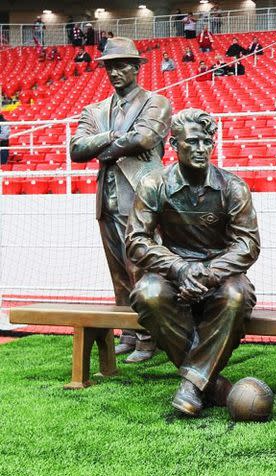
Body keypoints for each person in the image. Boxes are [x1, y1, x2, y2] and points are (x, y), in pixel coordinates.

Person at [127, 108, 260, 418]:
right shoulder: (153, 184)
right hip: (171, 269)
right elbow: (137, 240)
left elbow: (247, 244)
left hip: (221, 272)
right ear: (174, 145)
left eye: (207, 142)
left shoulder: (233, 187)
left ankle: (191, 386)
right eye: (192, 142)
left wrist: (208, 275)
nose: (202, 149)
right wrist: (181, 269)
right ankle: (210, 384)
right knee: (148, 294)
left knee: (237, 297)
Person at [69, 37, 171, 363]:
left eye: (122, 65)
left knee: (142, 269)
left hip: (143, 197)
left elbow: (146, 137)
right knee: (118, 273)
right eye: (110, 66)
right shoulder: (95, 110)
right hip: (107, 202)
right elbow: (76, 149)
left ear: (137, 67)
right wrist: (113, 137)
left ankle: (149, 336)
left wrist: (103, 149)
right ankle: (128, 332)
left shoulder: (156, 102)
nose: (115, 72)